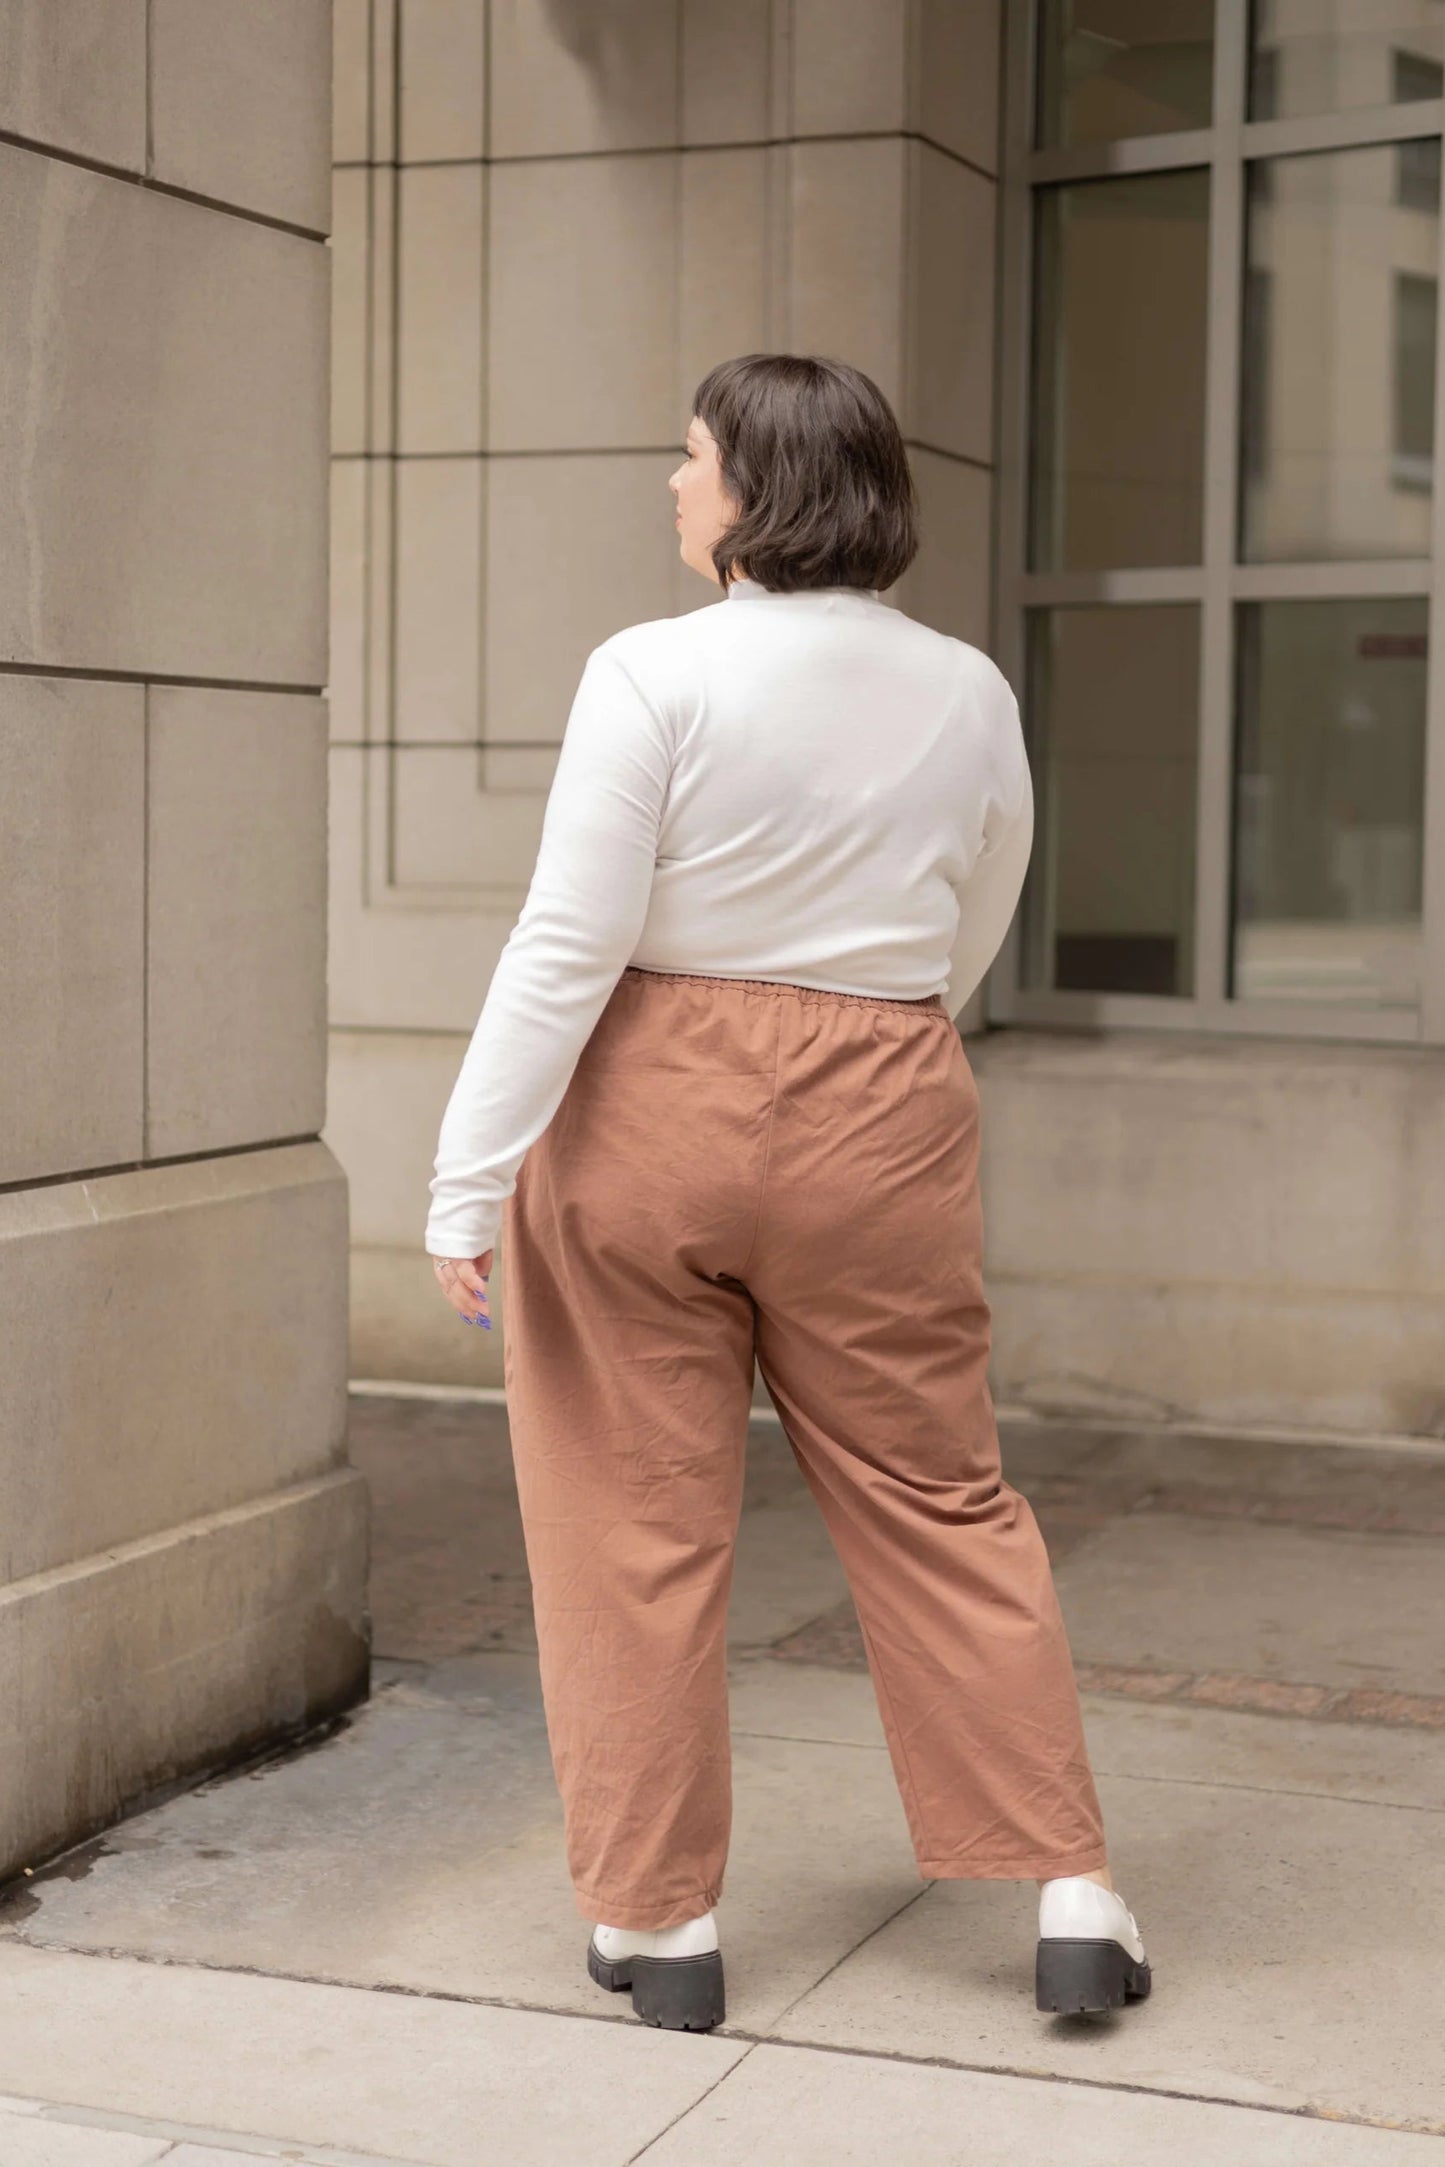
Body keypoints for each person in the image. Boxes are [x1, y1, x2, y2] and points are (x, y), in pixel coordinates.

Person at [424, 353, 1151, 2032]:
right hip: (884, 1096)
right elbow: (982, 911)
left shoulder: (649, 672)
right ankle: (1068, 1890)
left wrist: (467, 1180)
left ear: (757, 489)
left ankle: (660, 1930)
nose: (672, 488)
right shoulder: (968, 686)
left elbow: (568, 942)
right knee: (939, 1494)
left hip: (646, 1104)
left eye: (688, 462)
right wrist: (875, 1037)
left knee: (627, 1525)